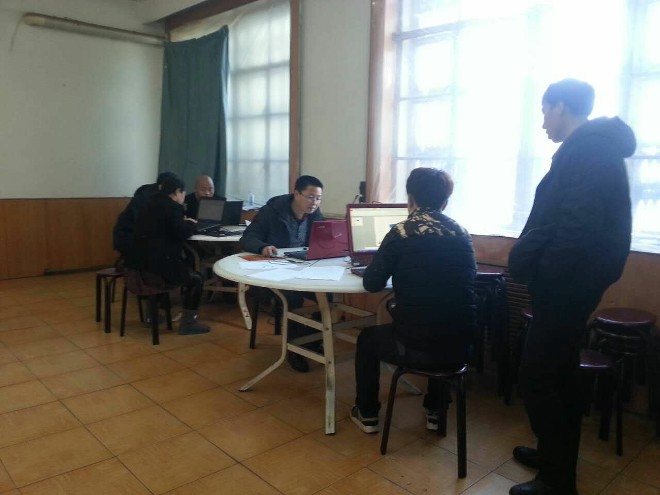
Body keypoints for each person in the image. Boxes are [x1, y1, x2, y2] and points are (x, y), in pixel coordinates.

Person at [508, 79, 635, 495]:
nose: (543, 121)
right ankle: (554, 456)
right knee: (560, 375)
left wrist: (545, 273)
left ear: (561, 107)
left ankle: (557, 480)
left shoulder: (590, 151)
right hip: (570, 285)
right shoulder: (591, 148)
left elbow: (576, 231)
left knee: (537, 378)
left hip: (564, 287)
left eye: (545, 111)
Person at [351, 168, 477, 434]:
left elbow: (372, 284)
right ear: (445, 201)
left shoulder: (402, 232)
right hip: (461, 343)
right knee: (442, 321)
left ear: (410, 199)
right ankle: (436, 411)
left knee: (367, 339)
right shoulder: (462, 233)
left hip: (413, 345)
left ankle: (367, 414)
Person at [240, 175, 325, 372]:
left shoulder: (314, 213)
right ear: (296, 194)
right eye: (310, 197)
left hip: (302, 270)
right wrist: (263, 247)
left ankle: (311, 340)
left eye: (319, 198)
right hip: (273, 274)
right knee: (292, 298)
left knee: (328, 295)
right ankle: (294, 350)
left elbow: (323, 238)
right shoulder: (272, 211)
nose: (314, 202)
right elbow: (248, 238)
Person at [125, 175, 211, 335]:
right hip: (155, 269)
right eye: (183, 193)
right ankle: (188, 324)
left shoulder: (148, 204)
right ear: (178, 192)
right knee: (196, 279)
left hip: (135, 266)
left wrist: (183, 223)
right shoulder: (172, 207)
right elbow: (182, 232)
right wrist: (192, 224)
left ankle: (151, 316)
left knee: (173, 268)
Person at [113, 172, 178, 258]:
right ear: (162, 186)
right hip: (130, 238)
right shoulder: (149, 198)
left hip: (131, 236)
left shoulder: (149, 194)